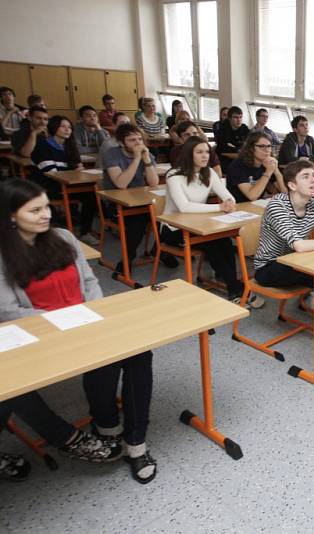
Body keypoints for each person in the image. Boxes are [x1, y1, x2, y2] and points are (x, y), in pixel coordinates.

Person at [0, 179, 156, 483]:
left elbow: (89, 281)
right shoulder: (4, 254)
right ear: (11, 216)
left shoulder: (63, 237)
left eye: (46, 206)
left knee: (139, 351)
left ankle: (135, 442)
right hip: (41, 334)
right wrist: (64, 321)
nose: (46, 214)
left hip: (85, 321)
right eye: (34, 210)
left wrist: (93, 313)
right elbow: (8, 309)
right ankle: (106, 427)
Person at [254, 160, 314, 366]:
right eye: (305, 176)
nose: (313, 180)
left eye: (313, 175)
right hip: (269, 267)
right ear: (291, 185)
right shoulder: (277, 205)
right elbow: (298, 245)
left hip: (297, 262)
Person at [160, 137, 263, 308]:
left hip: (201, 225)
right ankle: (236, 288)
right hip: (173, 229)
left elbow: (227, 195)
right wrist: (219, 207)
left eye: (207, 152)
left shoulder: (208, 172)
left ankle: (231, 284)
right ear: (188, 154)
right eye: (199, 152)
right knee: (212, 245)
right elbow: (184, 207)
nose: (205, 156)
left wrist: (229, 202)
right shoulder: (174, 175)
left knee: (225, 241)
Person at [103, 123, 177, 272]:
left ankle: (160, 251)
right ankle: (127, 258)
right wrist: (137, 159)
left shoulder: (146, 153)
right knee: (137, 223)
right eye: (132, 140)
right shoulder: (112, 154)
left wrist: (147, 160)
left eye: (139, 139)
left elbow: (153, 182)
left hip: (141, 200)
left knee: (168, 218)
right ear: (122, 143)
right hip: (116, 202)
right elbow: (121, 183)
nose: (138, 143)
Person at [30, 116, 98, 246]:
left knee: (91, 195)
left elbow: (78, 167)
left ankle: (84, 232)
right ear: (54, 127)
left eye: (69, 127)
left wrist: (73, 171)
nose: (67, 130)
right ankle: (55, 233)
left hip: (67, 184)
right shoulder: (43, 145)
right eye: (63, 126)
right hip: (46, 185)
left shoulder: (70, 145)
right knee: (46, 201)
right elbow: (51, 172)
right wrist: (73, 172)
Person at [225, 131, 285, 203]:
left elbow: (286, 193)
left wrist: (276, 170)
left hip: (257, 205)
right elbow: (252, 196)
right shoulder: (237, 165)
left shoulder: (267, 164)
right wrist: (268, 172)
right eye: (262, 146)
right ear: (251, 148)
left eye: (269, 146)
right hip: (238, 207)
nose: (267, 150)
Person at [216, 106, 250, 173]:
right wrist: (241, 155)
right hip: (225, 160)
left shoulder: (244, 128)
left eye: (240, 117)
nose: (239, 120)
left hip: (242, 158)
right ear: (229, 118)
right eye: (236, 117)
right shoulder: (222, 130)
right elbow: (223, 152)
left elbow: (250, 144)